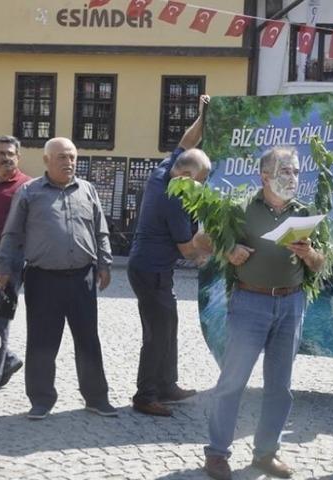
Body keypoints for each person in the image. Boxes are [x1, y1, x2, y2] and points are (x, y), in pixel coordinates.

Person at [197, 147, 325, 480]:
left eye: (296, 172)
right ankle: (216, 454)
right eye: (285, 171)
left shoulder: (304, 212)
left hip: (291, 304)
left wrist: (309, 252)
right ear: (264, 176)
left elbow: (319, 264)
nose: (293, 178)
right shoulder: (240, 209)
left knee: (280, 387)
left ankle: (266, 454)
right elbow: (200, 239)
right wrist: (229, 249)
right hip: (249, 304)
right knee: (232, 382)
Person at [0, 137, 116, 420]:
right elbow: (12, 234)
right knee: (42, 341)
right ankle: (41, 399)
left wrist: (105, 263)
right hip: (43, 278)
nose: (69, 162)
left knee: (88, 339)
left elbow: (101, 230)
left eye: (72, 157)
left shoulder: (87, 189)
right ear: (47, 161)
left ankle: (96, 398)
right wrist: (4, 268)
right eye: (62, 157)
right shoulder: (29, 192)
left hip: (82, 278)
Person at [127, 95, 211, 417]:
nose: (201, 189)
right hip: (150, 272)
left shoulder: (167, 170)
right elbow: (188, 249)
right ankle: (146, 395)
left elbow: (186, 142)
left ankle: (167, 385)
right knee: (156, 334)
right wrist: (216, 243)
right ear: (187, 179)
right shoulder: (174, 198)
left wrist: (203, 116)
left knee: (169, 326)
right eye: (200, 183)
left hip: (152, 269)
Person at [0, 135, 31, 398]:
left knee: (0, 321)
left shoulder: (27, 187)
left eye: (10, 153)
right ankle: (9, 358)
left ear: (18, 157)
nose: (5, 158)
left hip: (12, 264)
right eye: (0, 153)